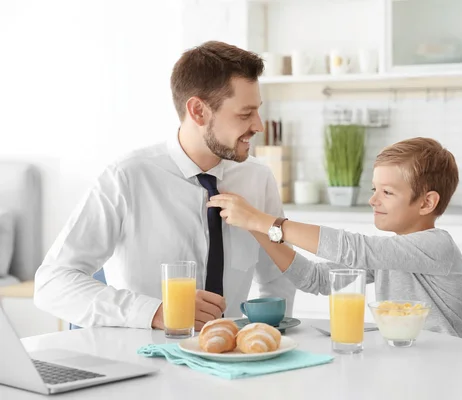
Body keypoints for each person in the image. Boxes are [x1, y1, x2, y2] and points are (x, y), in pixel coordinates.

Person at [34, 41, 296, 331]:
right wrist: (156, 312)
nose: (259, 125)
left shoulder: (258, 179)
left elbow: (277, 277)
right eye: (245, 114)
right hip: (142, 362)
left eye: (257, 111)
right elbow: (51, 283)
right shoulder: (126, 178)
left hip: (231, 365)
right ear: (198, 111)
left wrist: (265, 339)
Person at [207, 137, 462, 341]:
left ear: (427, 202)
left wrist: (260, 219)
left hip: (447, 367)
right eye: (374, 189)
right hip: (405, 363)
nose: (373, 200)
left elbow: (354, 249)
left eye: (387, 192)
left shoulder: (437, 246)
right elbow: (315, 279)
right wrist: (257, 229)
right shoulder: (386, 255)